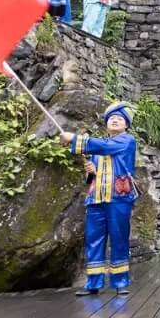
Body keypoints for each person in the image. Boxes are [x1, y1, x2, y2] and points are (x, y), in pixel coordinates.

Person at [60, 101, 138, 296]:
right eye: (111, 118)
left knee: (119, 239)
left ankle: (120, 281)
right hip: (96, 199)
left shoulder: (127, 141)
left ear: (126, 125)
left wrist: (74, 139)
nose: (115, 120)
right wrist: (91, 172)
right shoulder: (99, 147)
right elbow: (92, 176)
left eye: (119, 118)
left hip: (119, 198)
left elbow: (104, 147)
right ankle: (93, 283)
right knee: (94, 240)